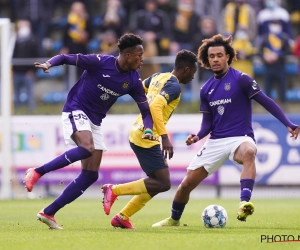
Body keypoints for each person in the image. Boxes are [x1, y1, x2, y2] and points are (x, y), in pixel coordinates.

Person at [151, 34, 300, 227]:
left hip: (240, 137)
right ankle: (174, 219)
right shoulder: (206, 89)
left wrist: (288, 123)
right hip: (216, 141)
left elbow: (267, 102)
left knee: (249, 152)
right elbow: (208, 124)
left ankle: (244, 202)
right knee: (186, 185)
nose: (215, 59)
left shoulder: (242, 79)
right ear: (207, 59)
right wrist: (198, 135)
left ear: (228, 56)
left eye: (219, 55)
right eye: (211, 56)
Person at [23, 33, 157, 230]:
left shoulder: (133, 80)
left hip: (94, 121)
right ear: (128, 55)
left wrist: (148, 128)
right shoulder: (100, 62)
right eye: (139, 55)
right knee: (87, 147)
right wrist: (49, 64)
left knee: (90, 175)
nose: (142, 59)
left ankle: (48, 212)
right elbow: (67, 58)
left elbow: (145, 110)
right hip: (75, 109)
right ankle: (36, 171)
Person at [101, 49, 198, 229]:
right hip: (147, 136)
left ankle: (123, 216)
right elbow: (155, 106)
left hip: (138, 131)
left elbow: (137, 88)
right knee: (163, 183)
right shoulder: (174, 86)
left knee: (155, 183)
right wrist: (164, 137)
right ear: (186, 69)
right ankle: (113, 190)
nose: (193, 77)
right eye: (193, 72)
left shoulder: (158, 76)